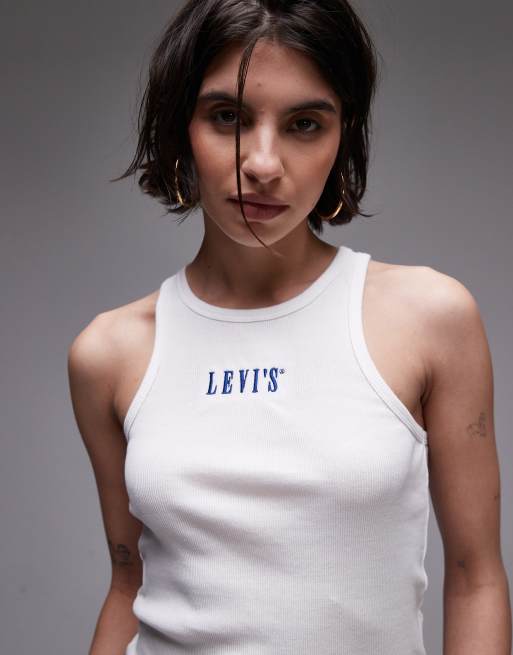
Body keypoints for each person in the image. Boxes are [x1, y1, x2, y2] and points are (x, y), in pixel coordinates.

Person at [67, 1, 511, 653]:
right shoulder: (109, 353)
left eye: (304, 123)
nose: (263, 163)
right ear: (179, 125)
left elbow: (476, 579)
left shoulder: (430, 318)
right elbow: (128, 584)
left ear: (343, 135)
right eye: (228, 116)